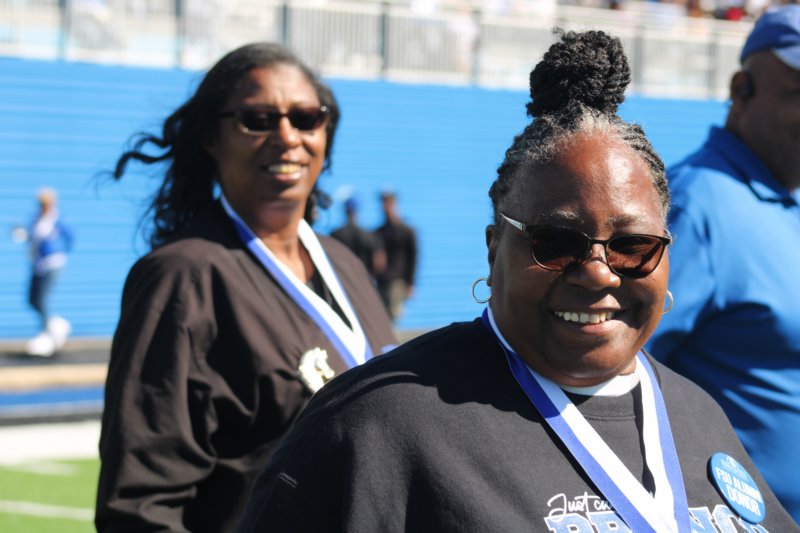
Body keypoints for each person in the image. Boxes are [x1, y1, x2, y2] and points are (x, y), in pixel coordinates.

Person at [236, 31, 798, 532]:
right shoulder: (376, 424)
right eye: (556, 243)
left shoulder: (697, 414)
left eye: (632, 246)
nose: (597, 272)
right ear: (493, 249)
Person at [95, 43, 397, 532]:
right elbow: (141, 507)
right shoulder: (182, 277)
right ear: (211, 138)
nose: (287, 137)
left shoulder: (345, 264)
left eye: (306, 118)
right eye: (257, 120)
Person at [646, 6, 800, 522]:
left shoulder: (782, 197)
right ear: (741, 90)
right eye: (797, 93)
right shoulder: (695, 205)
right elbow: (615, 367)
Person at [11, 187, 74, 357]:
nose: (43, 206)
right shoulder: (36, 218)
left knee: (42, 299)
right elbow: (31, 237)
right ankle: (56, 324)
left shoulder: (57, 219)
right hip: (38, 264)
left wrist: (59, 252)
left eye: (46, 203)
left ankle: (48, 335)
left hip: (52, 263)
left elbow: (70, 236)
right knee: (33, 299)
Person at [374, 189, 418, 321]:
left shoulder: (406, 231)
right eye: (383, 203)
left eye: (388, 203)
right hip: (382, 281)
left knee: (393, 316)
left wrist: (410, 283)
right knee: (381, 317)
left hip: (398, 281)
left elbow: (413, 258)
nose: (385, 207)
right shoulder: (379, 232)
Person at [330, 196, 385, 278]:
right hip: (364, 278)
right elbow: (379, 263)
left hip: (343, 278)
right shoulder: (369, 235)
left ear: (345, 210)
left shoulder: (336, 235)